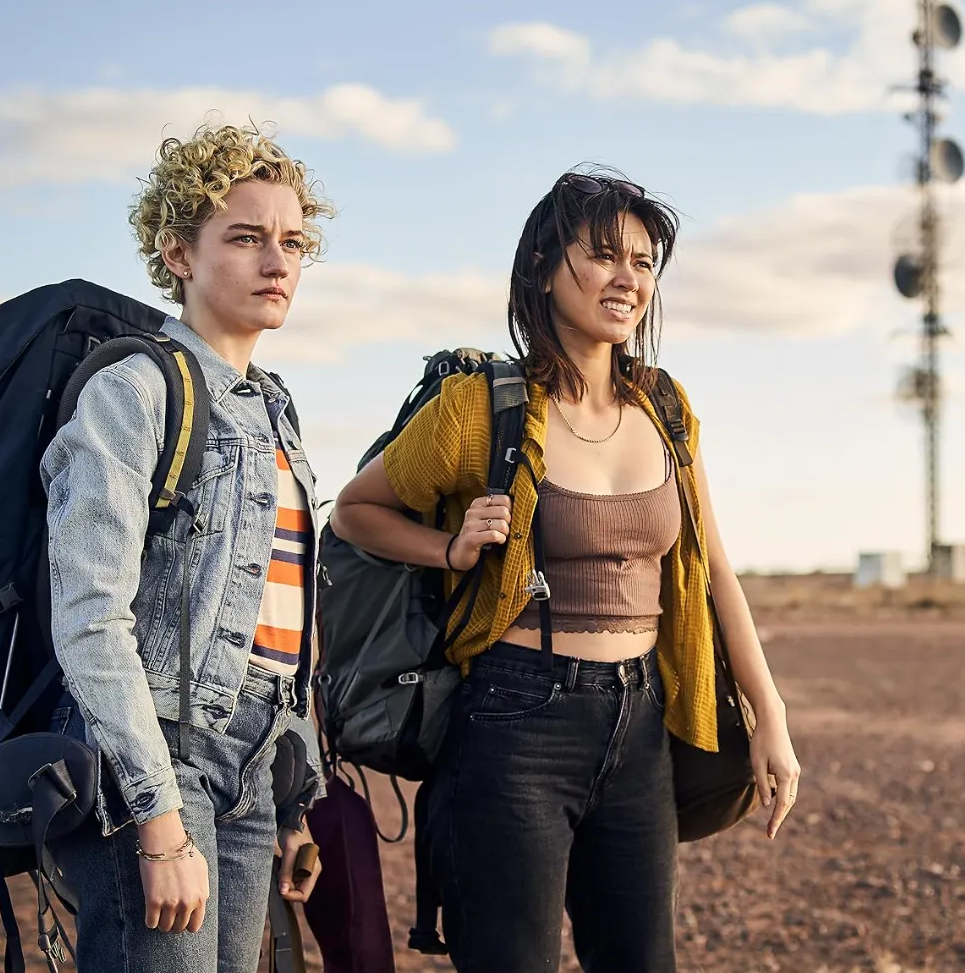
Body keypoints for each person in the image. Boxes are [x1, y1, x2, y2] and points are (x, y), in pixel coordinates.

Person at [330, 167, 802, 972]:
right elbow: (354, 510)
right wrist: (449, 549)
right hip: (514, 720)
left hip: (641, 719)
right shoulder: (479, 408)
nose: (628, 278)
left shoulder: (665, 406)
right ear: (544, 266)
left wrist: (770, 715)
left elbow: (713, 569)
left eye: (643, 262)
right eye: (604, 254)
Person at [41, 122, 331, 970]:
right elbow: (90, 617)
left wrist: (291, 798)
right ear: (177, 253)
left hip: (252, 764)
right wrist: (156, 817)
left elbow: (281, 622)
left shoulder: (274, 408)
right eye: (245, 238)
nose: (276, 262)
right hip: (160, 755)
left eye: (292, 242)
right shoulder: (132, 389)